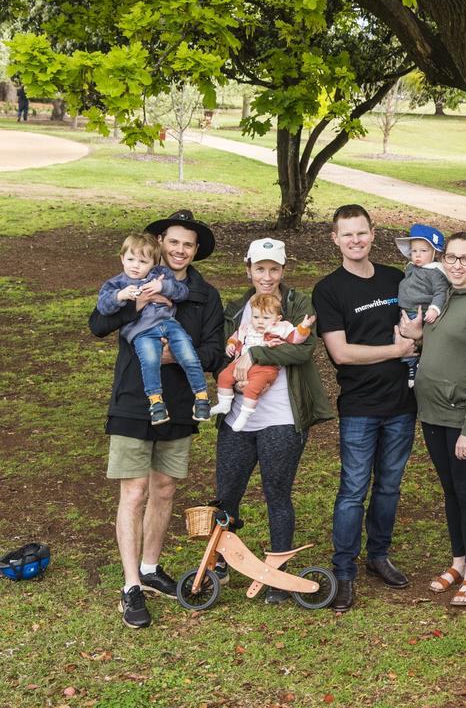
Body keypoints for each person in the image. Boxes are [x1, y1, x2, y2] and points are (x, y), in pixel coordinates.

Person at [89, 209, 223, 628]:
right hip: (133, 399)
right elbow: (97, 324)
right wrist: (136, 304)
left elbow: (216, 351)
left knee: (164, 489)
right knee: (135, 491)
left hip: (180, 403)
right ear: (160, 243)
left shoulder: (205, 294)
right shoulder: (133, 281)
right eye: (173, 242)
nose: (180, 250)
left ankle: (150, 568)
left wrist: (180, 358)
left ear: (196, 250)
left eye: (188, 244)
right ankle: (131, 586)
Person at [212, 238, 335, 603]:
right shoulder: (236, 309)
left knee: (277, 494)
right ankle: (221, 560)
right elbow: (225, 352)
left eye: (274, 269)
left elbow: (303, 348)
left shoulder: (298, 303)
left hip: (281, 416)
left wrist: (258, 355)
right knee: (226, 494)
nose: (267, 276)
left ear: (283, 270)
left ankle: (277, 571)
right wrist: (233, 370)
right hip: (238, 417)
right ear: (248, 269)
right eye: (260, 269)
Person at [312, 204, 420, 612]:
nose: (355, 240)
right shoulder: (329, 289)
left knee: (389, 487)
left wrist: (416, 336)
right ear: (334, 239)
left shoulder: (397, 278)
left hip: (402, 404)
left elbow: (416, 326)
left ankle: (378, 555)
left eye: (362, 232)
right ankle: (343, 570)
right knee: (353, 491)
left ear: (373, 234)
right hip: (359, 405)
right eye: (347, 234)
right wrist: (395, 350)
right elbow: (340, 353)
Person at [399, 231, 466, 607]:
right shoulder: (440, 297)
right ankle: (458, 561)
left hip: (464, 417)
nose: (456, 265)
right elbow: (441, 345)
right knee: (449, 490)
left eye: (465, 259)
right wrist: (419, 336)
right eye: (451, 258)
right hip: (432, 412)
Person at [96, 232, 213, 425]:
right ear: (122, 259)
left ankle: (201, 397)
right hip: (141, 333)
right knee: (150, 361)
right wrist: (120, 296)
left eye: (142, 261)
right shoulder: (116, 283)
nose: (136, 265)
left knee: (188, 355)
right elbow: (102, 309)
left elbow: (182, 292)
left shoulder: (161, 275)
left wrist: (162, 287)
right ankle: (156, 402)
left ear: (153, 262)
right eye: (131, 259)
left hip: (168, 324)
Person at [210, 292, 314, 431]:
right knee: (224, 376)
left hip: (265, 367)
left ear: (277, 318)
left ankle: (245, 414)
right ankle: (224, 403)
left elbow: (295, 338)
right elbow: (235, 337)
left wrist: (303, 327)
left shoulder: (280, 327)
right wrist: (231, 344)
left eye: (265, 318)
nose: (259, 321)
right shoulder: (247, 327)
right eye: (256, 317)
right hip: (240, 364)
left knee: (252, 387)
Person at [395, 223, 448, 387]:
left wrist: (434, 308)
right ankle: (408, 365)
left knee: (410, 339)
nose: (418, 255)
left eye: (423, 251)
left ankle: (414, 367)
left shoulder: (435, 272)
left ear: (434, 253)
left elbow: (441, 292)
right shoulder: (412, 268)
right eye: (414, 251)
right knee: (400, 338)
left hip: (420, 310)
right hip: (405, 309)